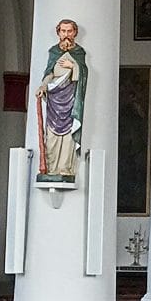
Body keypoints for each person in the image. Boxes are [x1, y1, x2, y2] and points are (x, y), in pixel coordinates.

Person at [35, 18, 86, 183]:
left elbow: (83, 74)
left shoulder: (79, 53)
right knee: (51, 136)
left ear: (74, 33)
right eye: (63, 31)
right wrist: (43, 86)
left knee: (68, 136)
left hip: (70, 97)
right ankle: (51, 168)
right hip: (54, 98)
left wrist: (74, 67)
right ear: (58, 32)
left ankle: (65, 168)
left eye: (69, 31)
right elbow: (49, 72)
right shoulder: (53, 51)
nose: (66, 34)